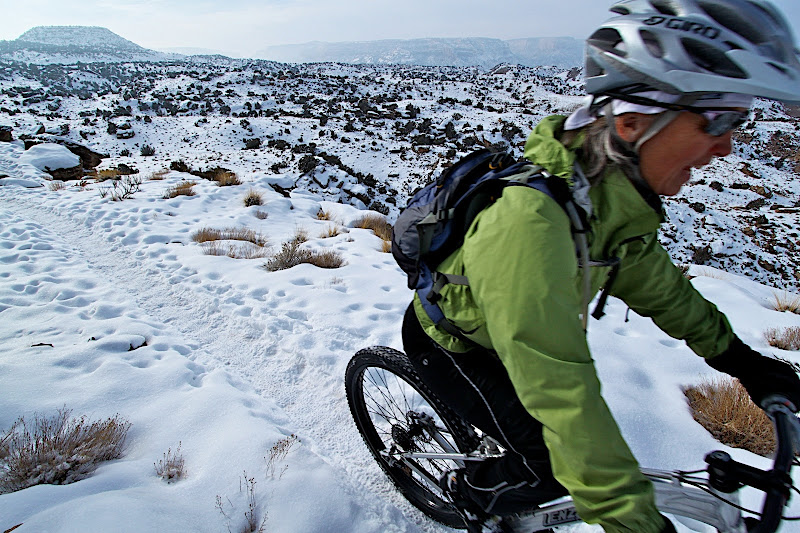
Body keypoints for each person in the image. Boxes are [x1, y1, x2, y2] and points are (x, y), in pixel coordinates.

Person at [400, 1, 800, 532]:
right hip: (454, 344)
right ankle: (466, 492)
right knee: (548, 464)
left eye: (739, 121)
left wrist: (743, 361)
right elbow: (562, 396)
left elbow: (661, 289)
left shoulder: (607, 204)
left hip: (507, 337)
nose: (727, 146)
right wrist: (633, 522)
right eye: (718, 119)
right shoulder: (530, 226)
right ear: (632, 123)